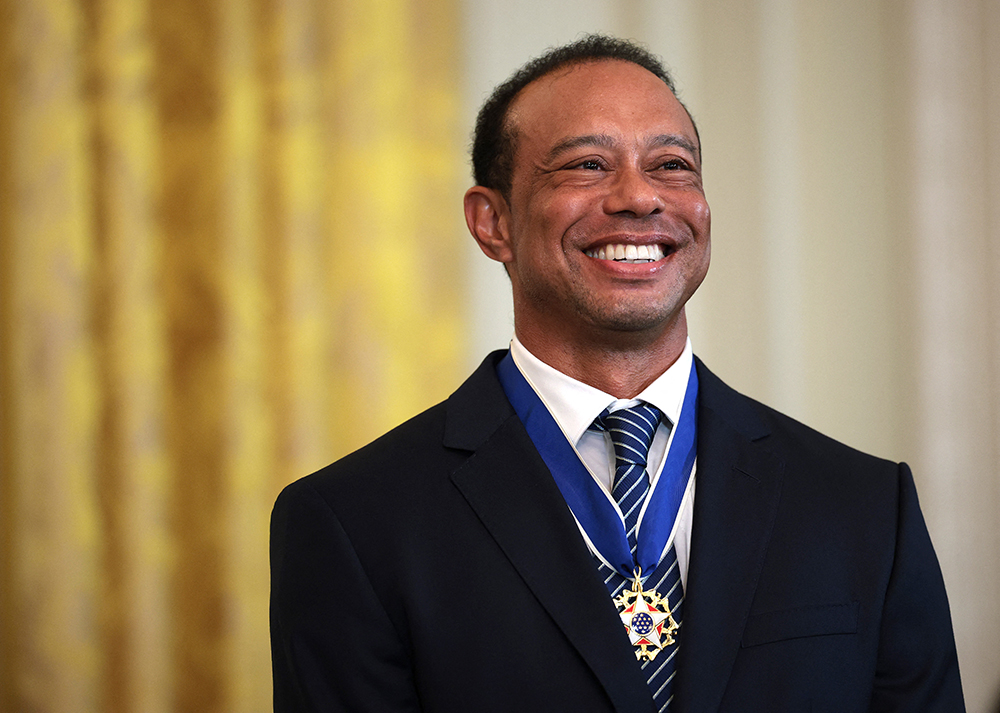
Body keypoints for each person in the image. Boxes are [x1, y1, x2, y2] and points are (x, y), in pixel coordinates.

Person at [269, 35, 965, 712]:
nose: (639, 196)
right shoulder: (353, 525)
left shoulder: (866, 508)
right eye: (587, 165)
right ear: (492, 222)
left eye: (672, 165)